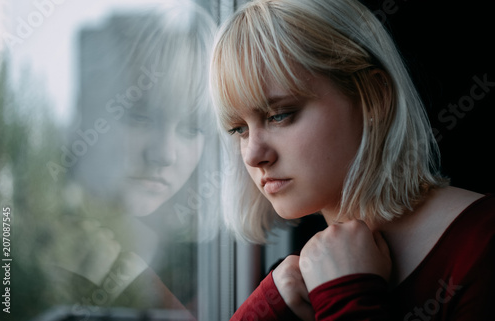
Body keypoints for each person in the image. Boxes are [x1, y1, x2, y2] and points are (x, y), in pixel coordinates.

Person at [209, 0, 495, 320]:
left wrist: (345, 297)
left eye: (280, 115)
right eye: (239, 129)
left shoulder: (483, 247)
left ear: (373, 96)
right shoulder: (294, 282)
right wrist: (267, 305)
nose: (252, 154)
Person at [36, 0, 218, 317]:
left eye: (191, 128)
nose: (164, 154)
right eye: (141, 118)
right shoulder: (40, 258)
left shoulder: (213, 271)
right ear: (88, 115)